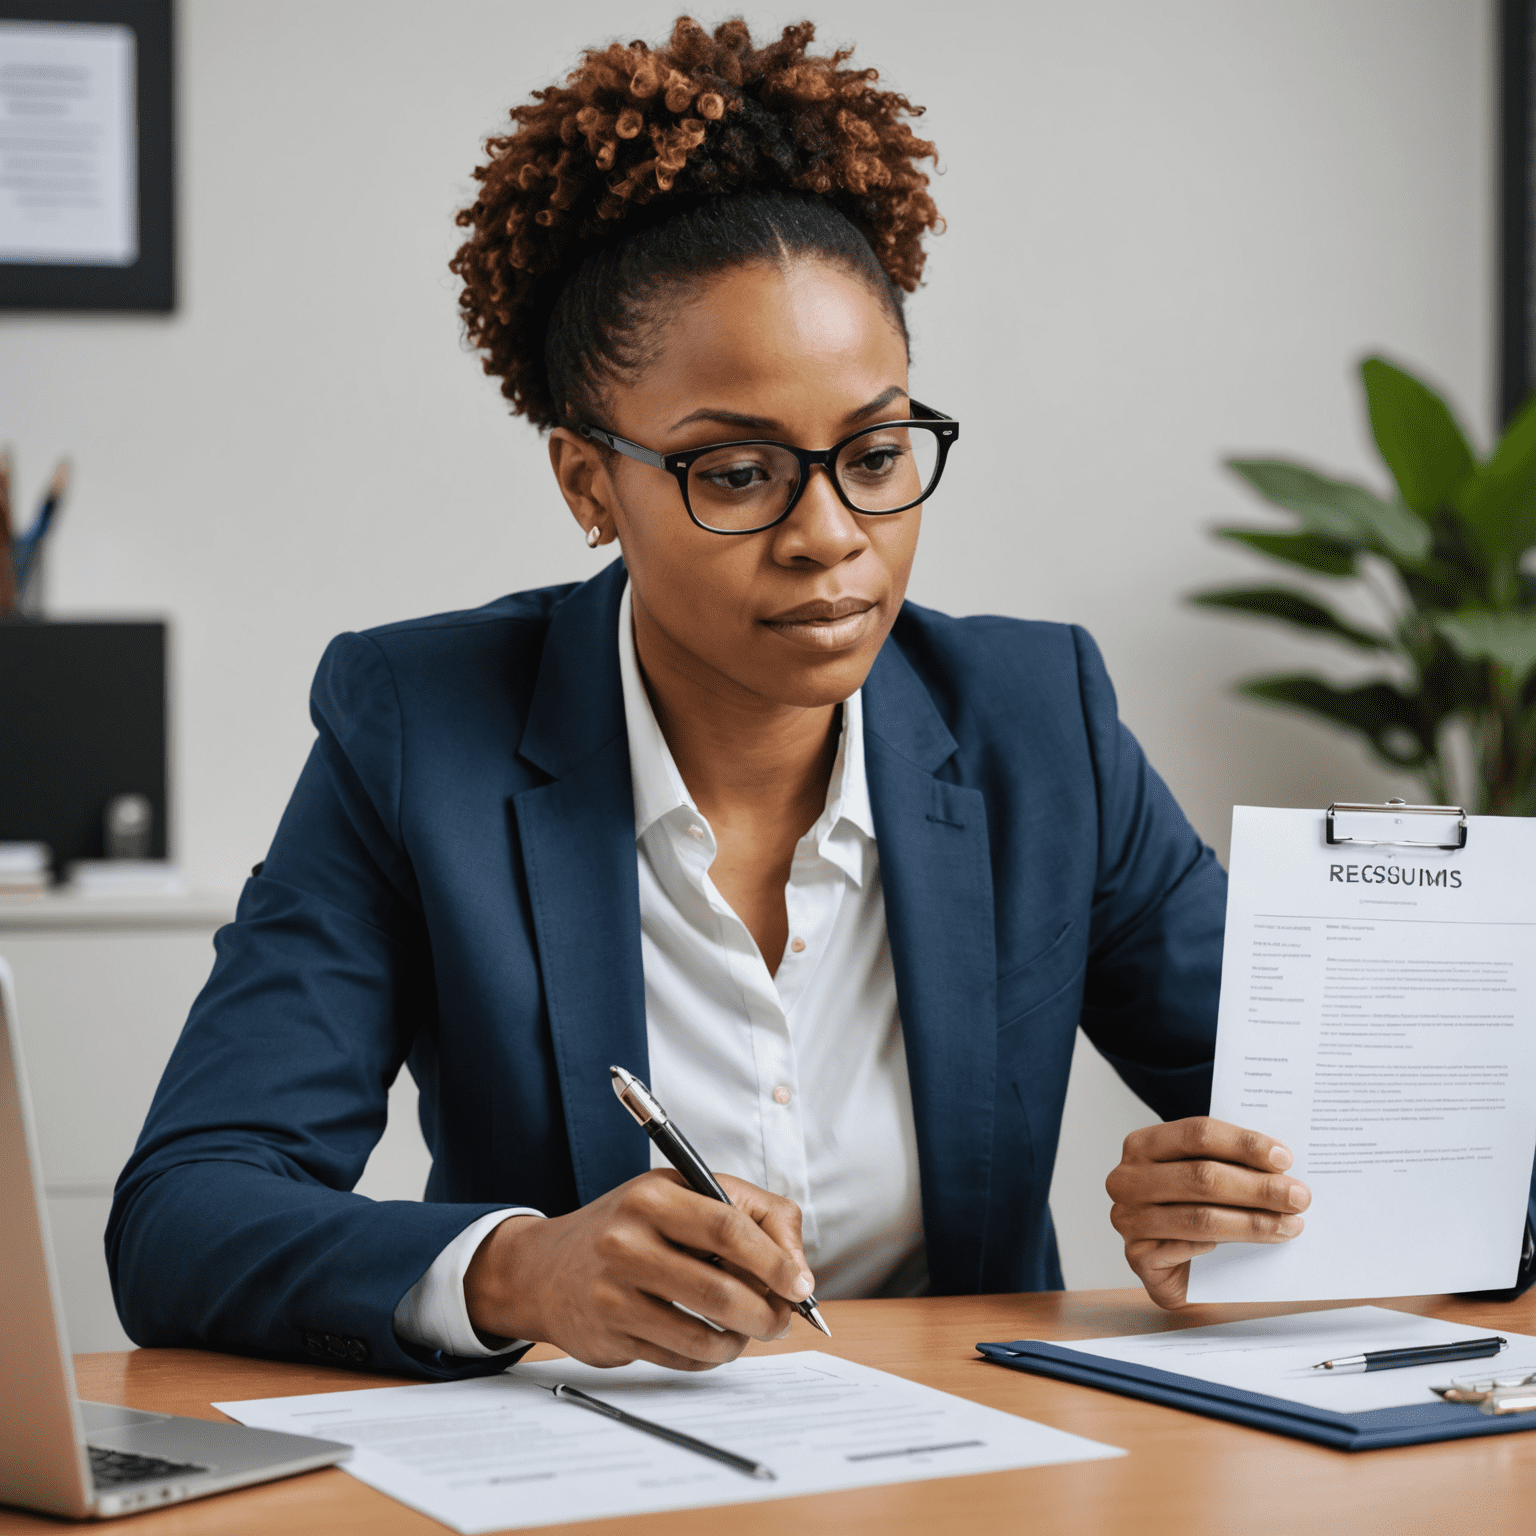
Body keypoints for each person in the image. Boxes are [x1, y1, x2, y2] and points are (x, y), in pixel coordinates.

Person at [105, 16, 1532, 1383]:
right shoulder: (422, 728)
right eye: (737, 472)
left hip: (981, 1475)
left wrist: (1254, 1228)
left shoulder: (1040, 726)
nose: (831, 534)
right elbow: (187, 1210)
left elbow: (1454, 1175)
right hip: (590, 1485)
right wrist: (521, 1272)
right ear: (587, 483)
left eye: (876, 451)